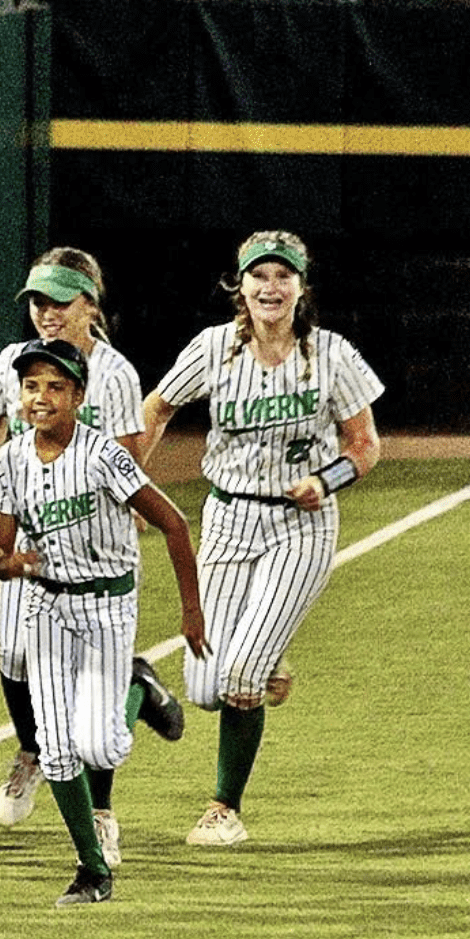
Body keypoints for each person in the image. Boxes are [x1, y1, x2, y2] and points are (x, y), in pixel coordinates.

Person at [139, 231, 382, 847]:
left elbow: (364, 444)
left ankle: (224, 808)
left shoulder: (330, 355)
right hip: (226, 519)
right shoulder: (214, 348)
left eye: (283, 276)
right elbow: (158, 407)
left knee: (239, 675)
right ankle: (260, 663)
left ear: (302, 288)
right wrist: (129, 480)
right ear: (239, 286)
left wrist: (326, 480)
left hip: (300, 527)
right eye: (259, 276)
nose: (271, 288)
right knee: (203, 689)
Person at [0, 250, 185, 857]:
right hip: (31, 544)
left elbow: (126, 458)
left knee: (90, 705)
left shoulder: (114, 375)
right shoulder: (8, 364)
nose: (46, 313)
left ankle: (100, 812)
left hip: (94, 552)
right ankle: (34, 750)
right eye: (38, 301)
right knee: (15, 658)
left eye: (59, 301)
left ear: (90, 305)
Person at [0, 337, 207, 904]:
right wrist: (8, 563)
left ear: (80, 396)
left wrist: (191, 611)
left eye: (55, 387)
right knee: (57, 750)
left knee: (100, 747)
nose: (41, 398)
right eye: (31, 386)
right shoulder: (12, 458)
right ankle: (92, 870)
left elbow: (175, 524)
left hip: (107, 605)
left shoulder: (104, 455)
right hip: (45, 609)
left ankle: (138, 682)